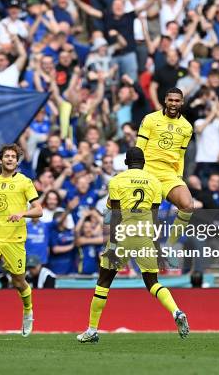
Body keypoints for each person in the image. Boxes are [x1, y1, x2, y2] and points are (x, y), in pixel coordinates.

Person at [77, 147, 189, 343]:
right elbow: (155, 217)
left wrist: (112, 243)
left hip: (123, 234)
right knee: (152, 282)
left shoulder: (117, 181)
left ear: (126, 163)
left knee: (103, 283)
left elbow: (115, 215)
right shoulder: (155, 182)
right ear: (143, 163)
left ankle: (92, 330)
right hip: (145, 235)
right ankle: (176, 311)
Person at [0, 144, 43, 337]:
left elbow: (38, 209)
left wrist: (23, 213)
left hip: (14, 238)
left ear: (17, 160)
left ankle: (28, 310)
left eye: (13, 156)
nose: (10, 159)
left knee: (19, 282)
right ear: (0, 160)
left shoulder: (24, 182)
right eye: (7, 156)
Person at [135, 87, 195, 246]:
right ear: (165, 101)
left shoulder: (187, 127)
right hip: (148, 170)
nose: (173, 103)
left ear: (182, 102)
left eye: (177, 101)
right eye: (170, 100)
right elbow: (139, 148)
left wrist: (179, 176)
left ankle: (169, 246)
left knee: (188, 206)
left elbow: (181, 155)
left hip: (168, 174)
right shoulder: (150, 119)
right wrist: (136, 173)